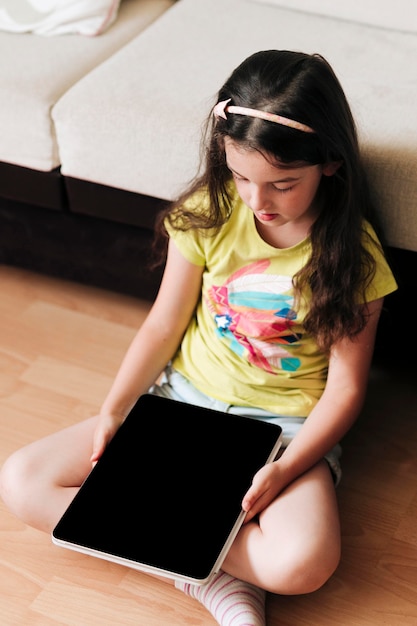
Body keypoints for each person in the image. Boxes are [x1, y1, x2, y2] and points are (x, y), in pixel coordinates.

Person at [0, 49, 397, 626]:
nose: (258, 202)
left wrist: (286, 470)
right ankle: (213, 580)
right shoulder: (210, 212)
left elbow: (345, 390)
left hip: (282, 431)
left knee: (303, 564)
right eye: (241, 177)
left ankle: (181, 550)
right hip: (180, 404)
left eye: (283, 184)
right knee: (21, 481)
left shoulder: (352, 254)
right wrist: (116, 409)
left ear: (330, 164)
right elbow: (163, 323)